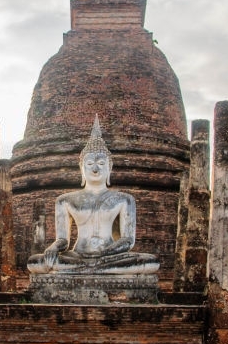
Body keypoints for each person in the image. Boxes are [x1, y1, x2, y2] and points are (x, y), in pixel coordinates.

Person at [26, 117, 158, 275]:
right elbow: (64, 241)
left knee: (150, 261)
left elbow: (128, 240)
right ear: (81, 168)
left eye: (101, 164)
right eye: (89, 164)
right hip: (77, 255)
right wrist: (53, 247)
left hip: (110, 256)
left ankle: (85, 270)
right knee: (35, 262)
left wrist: (104, 254)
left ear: (110, 168)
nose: (95, 169)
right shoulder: (65, 200)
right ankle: (96, 270)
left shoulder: (124, 199)